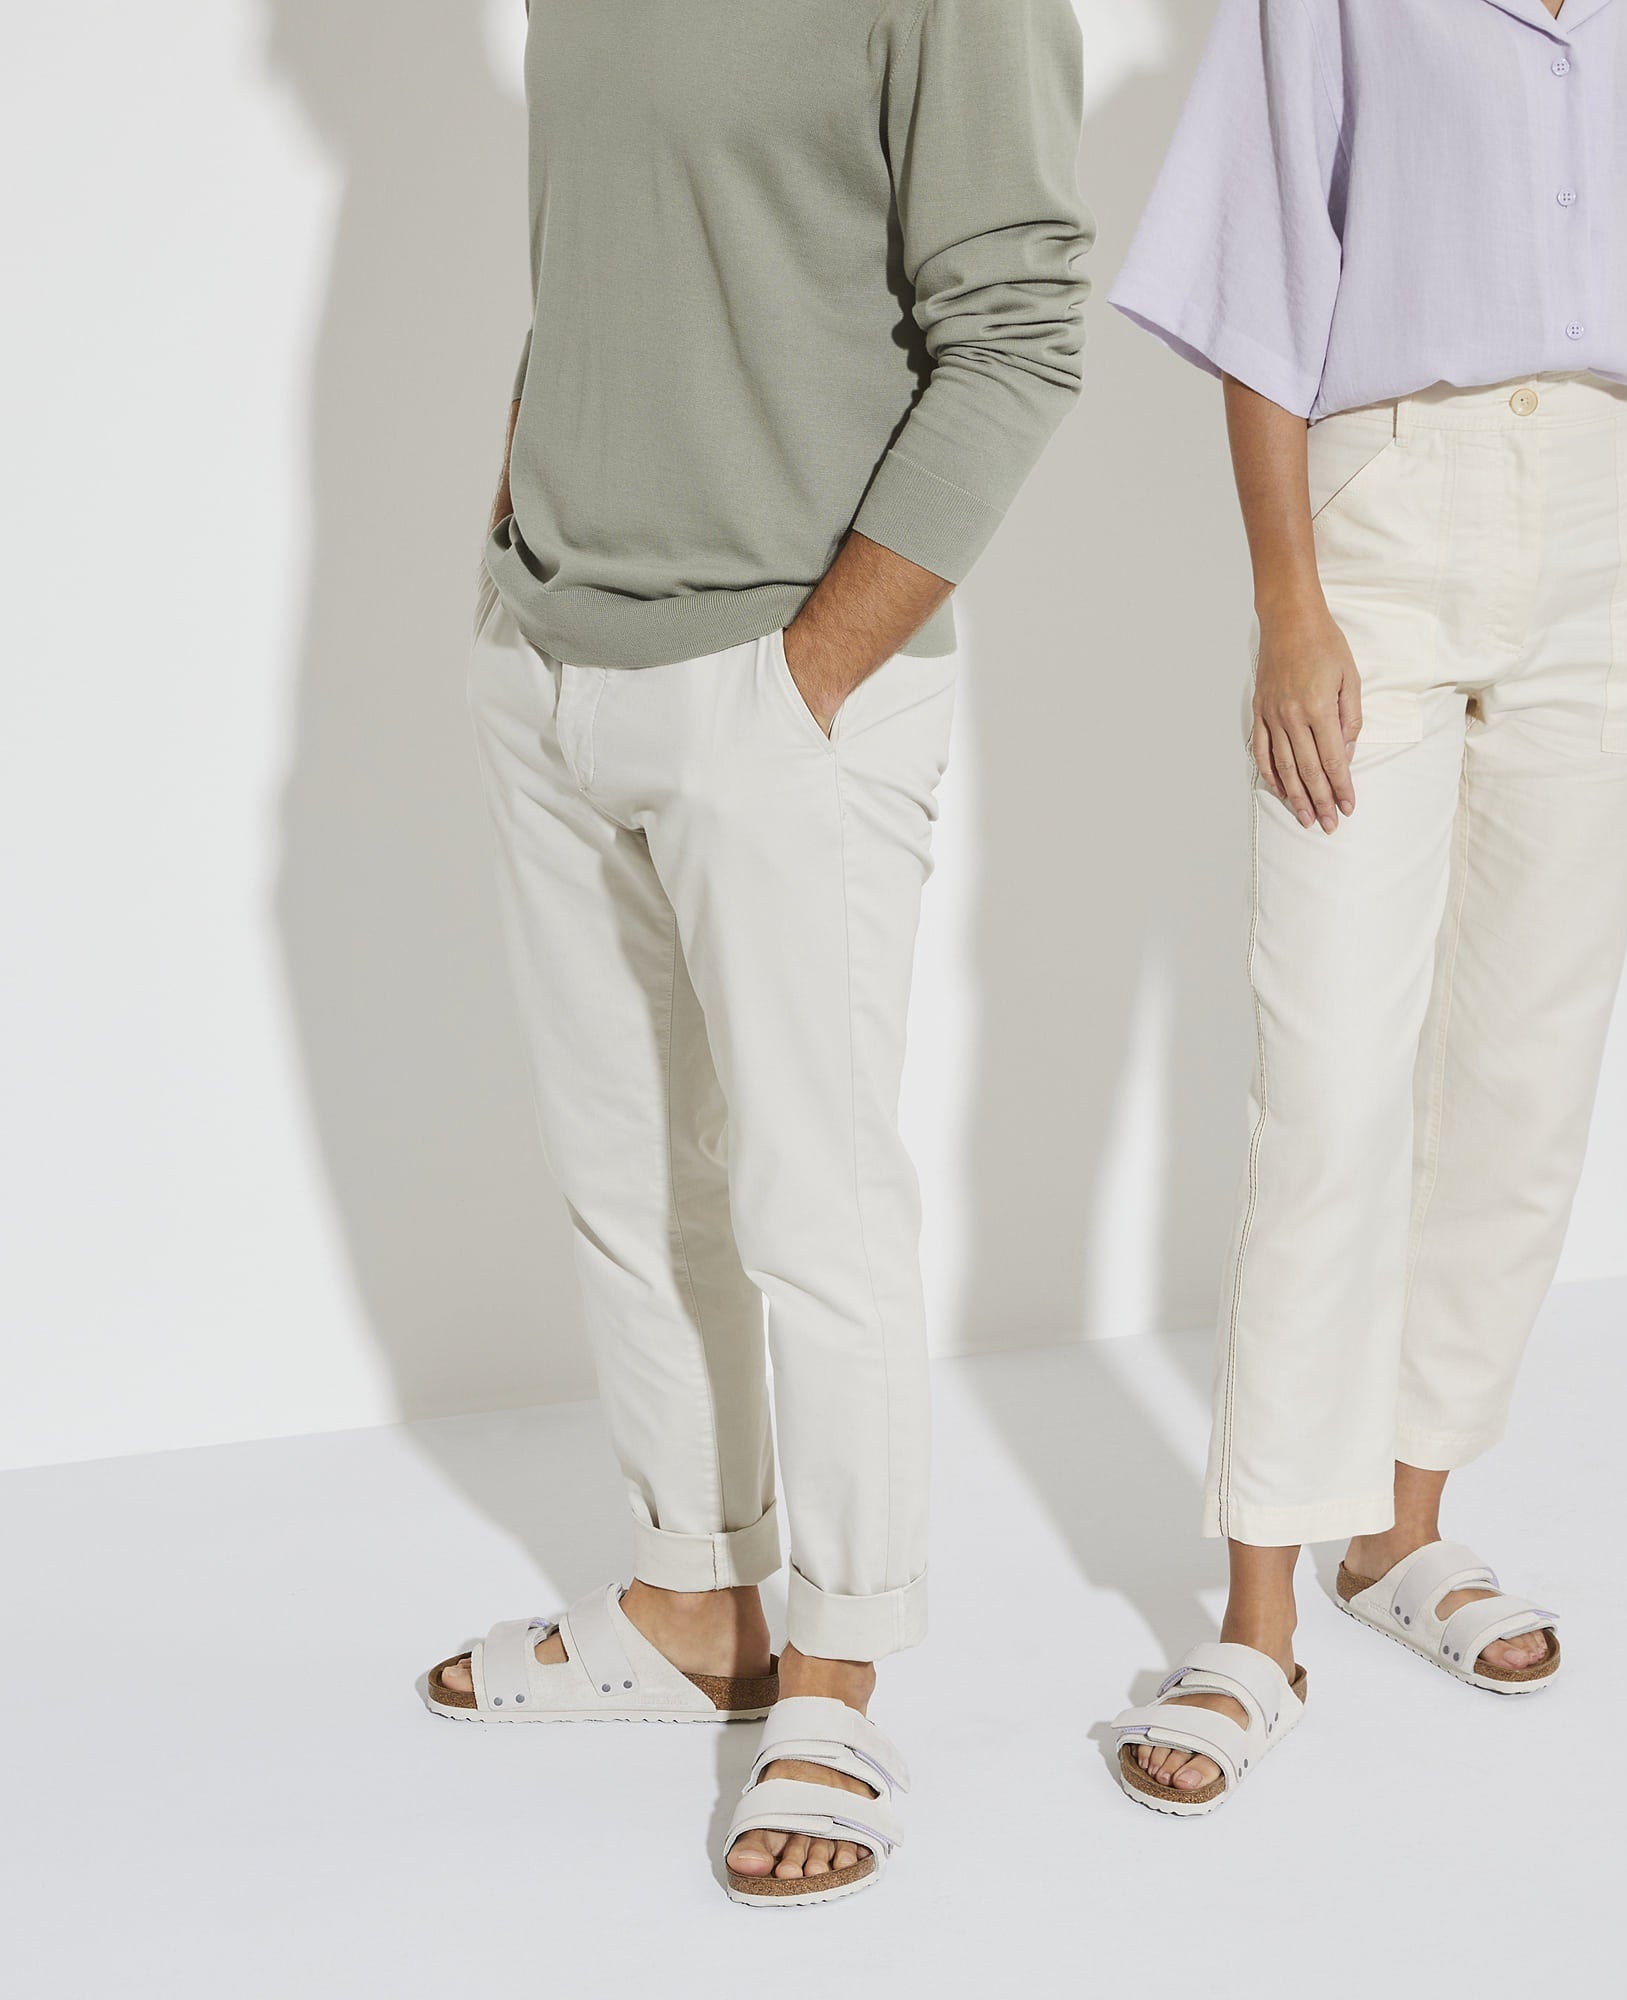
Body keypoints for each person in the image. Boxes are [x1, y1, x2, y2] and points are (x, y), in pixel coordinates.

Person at [1102, 0, 1627, 1812]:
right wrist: (1290, 604)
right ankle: (1256, 1616)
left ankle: (1402, 1526)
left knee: (1525, 1064)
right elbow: (1258, 288)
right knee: (1329, 1083)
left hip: (1618, 526)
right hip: (1388, 515)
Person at [425, 0, 1090, 1905]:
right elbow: (597, 263)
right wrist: (515, 542)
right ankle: (692, 1597)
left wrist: (811, 672)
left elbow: (1021, 329)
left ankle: (840, 1670)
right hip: (555, 655)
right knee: (626, 1174)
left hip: (786, 675)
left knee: (815, 1199)